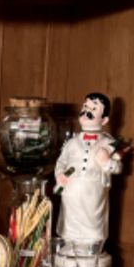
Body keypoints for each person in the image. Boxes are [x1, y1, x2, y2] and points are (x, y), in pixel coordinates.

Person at [54, 92, 122, 248]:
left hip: (94, 195)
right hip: (71, 194)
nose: (86, 111)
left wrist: (106, 162)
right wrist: (60, 175)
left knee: (93, 230)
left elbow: (117, 167)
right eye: (85, 106)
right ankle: (70, 250)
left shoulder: (108, 143)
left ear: (104, 120)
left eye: (93, 108)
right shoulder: (72, 143)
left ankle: (91, 255)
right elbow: (61, 162)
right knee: (70, 227)